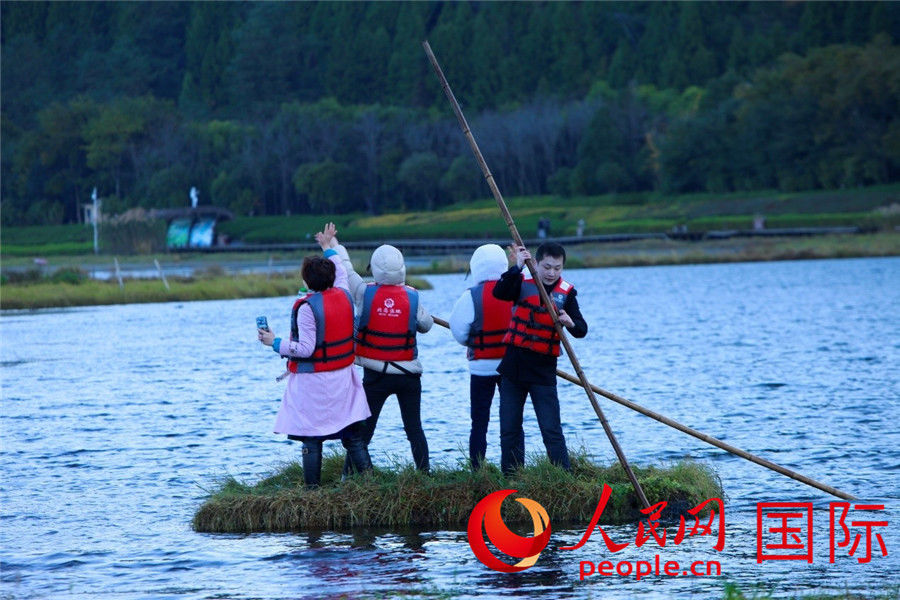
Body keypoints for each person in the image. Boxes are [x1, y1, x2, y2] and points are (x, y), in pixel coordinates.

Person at [258, 223, 372, 488]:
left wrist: (273, 342)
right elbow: (341, 269)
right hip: (344, 377)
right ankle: (370, 485)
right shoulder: (343, 293)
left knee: (311, 437)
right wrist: (327, 246)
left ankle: (312, 491)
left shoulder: (307, 308)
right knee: (352, 435)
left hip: (314, 382)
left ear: (307, 281)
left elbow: (305, 349)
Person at [332, 241, 434, 472]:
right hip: (409, 375)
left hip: (375, 374)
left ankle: (350, 477)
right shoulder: (412, 296)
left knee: (364, 430)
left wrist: (334, 246)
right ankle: (424, 473)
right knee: (414, 428)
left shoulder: (363, 292)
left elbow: (346, 270)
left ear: (376, 269)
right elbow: (426, 325)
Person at [492, 242, 587, 476]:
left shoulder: (567, 293)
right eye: (546, 267)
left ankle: (562, 478)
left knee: (551, 429)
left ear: (562, 267)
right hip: (513, 369)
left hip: (543, 373)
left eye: (557, 268)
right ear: (536, 263)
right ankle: (512, 478)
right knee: (509, 429)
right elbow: (500, 292)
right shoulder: (521, 282)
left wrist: (570, 323)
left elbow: (582, 329)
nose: (551, 273)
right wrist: (517, 267)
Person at [449, 244, 514, 470]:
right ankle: (513, 469)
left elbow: (458, 331)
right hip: (511, 366)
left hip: (481, 368)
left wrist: (473, 341)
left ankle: (477, 469)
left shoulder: (471, 296)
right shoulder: (515, 290)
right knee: (511, 422)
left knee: (479, 422)